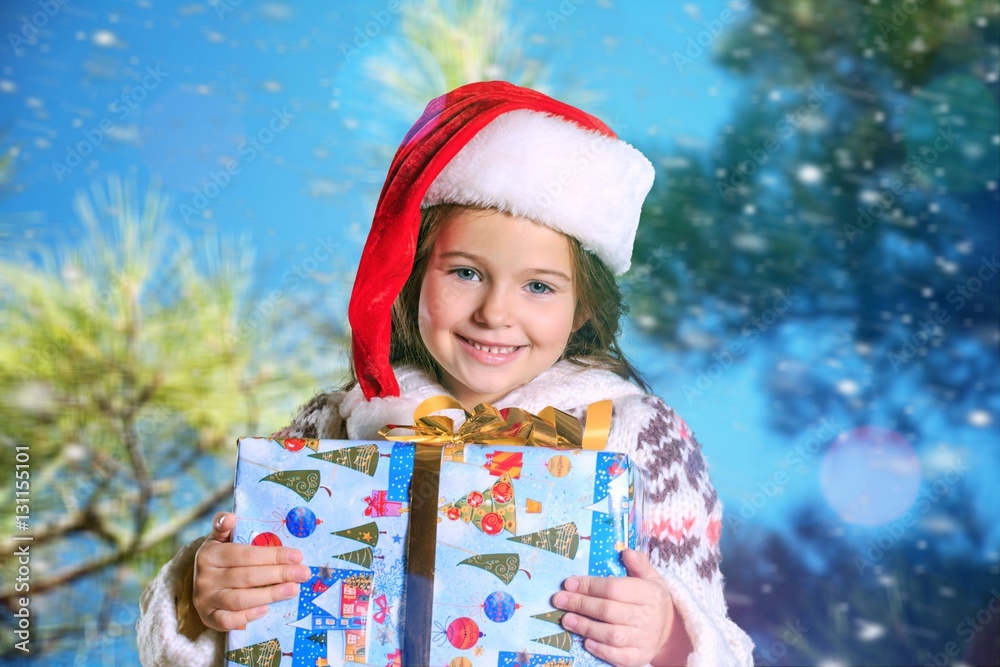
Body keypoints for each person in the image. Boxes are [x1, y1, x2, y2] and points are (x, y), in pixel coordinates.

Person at [137, 81, 754, 667]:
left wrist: (669, 635)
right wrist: (203, 595)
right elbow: (224, 635)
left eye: (539, 286)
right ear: (410, 271)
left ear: (583, 306)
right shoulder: (335, 420)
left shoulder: (641, 435)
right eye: (465, 273)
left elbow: (719, 641)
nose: (494, 313)